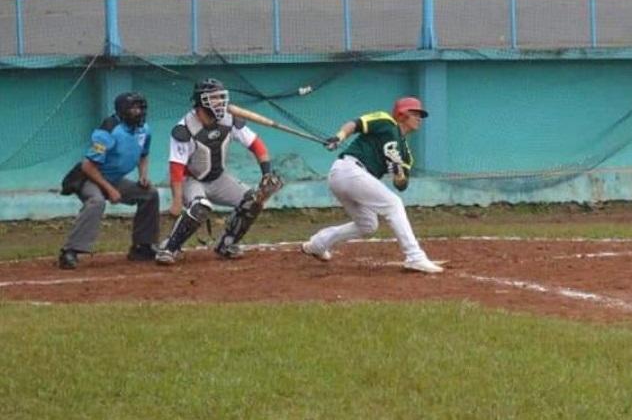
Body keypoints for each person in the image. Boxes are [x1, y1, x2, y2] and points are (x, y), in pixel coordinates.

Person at [301, 97, 444, 274]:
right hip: (348, 169)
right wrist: (339, 136)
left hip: (354, 177)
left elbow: (401, 185)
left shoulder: (405, 153)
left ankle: (318, 244)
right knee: (394, 204)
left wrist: (398, 173)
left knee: (368, 225)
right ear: (402, 114)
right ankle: (415, 257)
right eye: (415, 113)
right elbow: (355, 124)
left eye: (420, 115)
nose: (419, 118)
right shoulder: (386, 121)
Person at [155, 79, 282, 265]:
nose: (220, 102)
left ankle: (227, 244)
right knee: (201, 207)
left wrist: (266, 173)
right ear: (201, 101)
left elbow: (256, 145)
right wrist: (177, 200)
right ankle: (169, 248)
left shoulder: (229, 120)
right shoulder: (185, 129)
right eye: (214, 98)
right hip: (192, 180)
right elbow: (176, 167)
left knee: (253, 201)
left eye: (221, 98)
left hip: (218, 177)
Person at [57, 92, 159, 269]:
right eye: (134, 108)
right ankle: (69, 251)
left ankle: (142, 247)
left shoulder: (144, 130)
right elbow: (87, 166)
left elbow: (144, 154)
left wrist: (143, 175)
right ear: (123, 110)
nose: (139, 112)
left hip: (114, 179)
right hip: (90, 177)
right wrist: (109, 190)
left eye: (141, 108)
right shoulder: (108, 130)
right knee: (96, 201)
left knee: (149, 194)